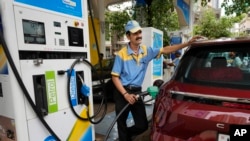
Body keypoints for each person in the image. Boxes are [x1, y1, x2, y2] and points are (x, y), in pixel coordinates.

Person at [111, 20, 202, 141]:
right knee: (121, 124)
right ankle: (124, 137)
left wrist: (187, 44)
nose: (139, 35)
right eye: (135, 33)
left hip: (137, 92)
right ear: (128, 36)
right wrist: (125, 94)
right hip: (122, 92)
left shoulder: (146, 51)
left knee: (142, 125)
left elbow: (165, 49)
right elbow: (115, 77)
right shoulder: (121, 55)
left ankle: (125, 135)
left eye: (139, 32)